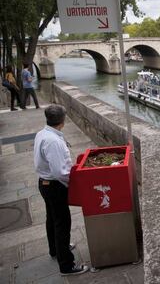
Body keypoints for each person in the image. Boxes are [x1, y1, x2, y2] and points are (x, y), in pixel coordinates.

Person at [34, 105, 88, 276]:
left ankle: (55, 249)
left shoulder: (42, 134)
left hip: (44, 183)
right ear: (63, 121)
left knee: (52, 219)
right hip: (55, 186)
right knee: (62, 223)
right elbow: (60, 172)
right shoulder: (53, 141)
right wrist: (73, 183)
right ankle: (66, 265)